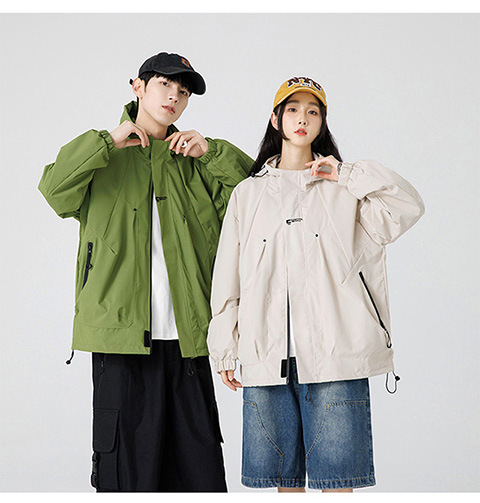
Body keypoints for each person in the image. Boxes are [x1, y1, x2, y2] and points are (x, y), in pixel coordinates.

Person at [38, 52, 252, 492]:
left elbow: (258, 201)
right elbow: (55, 190)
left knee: (200, 477)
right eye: (164, 85)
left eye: (183, 91)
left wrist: (213, 153)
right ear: (137, 87)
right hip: (120, 342)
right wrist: (105, 142)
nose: (174, 96)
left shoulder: (196, 161)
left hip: (189, 341)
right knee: (127, 479)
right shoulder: (103, 156)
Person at [207, 76, 425, 492]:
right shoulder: (248, 194)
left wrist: (347, 174)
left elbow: (407, 206)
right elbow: (228, 277)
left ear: (322, 123)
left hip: (335, 355)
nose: (302, 119)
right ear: (276, 120)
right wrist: (225, 346)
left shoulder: (345, 190)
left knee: (338, 483)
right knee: (284, 485)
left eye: (313, 111)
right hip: (265, 356)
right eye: (292, 110)